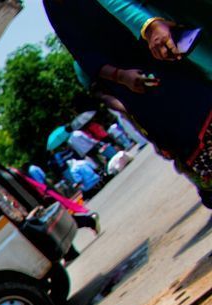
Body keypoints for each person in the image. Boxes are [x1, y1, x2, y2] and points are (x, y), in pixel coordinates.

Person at [44, 0, 212, 207]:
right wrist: (122, 76)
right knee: (189, 139)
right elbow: (87, 57)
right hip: (143, 83)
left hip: (173, 50)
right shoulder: (57, 5)